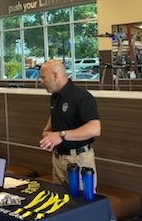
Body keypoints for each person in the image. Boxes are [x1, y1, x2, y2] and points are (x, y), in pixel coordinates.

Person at [39, 59, 101, 189]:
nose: (41, 81)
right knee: (62, 204)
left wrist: (61, 135)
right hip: (58, 159)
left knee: (82, 206)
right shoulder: (55, 97)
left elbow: (95, 128)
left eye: (43, 77)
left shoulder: (81, 97)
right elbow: (50, 127)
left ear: (55, 76)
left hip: (78, 160)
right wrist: (49, 136)